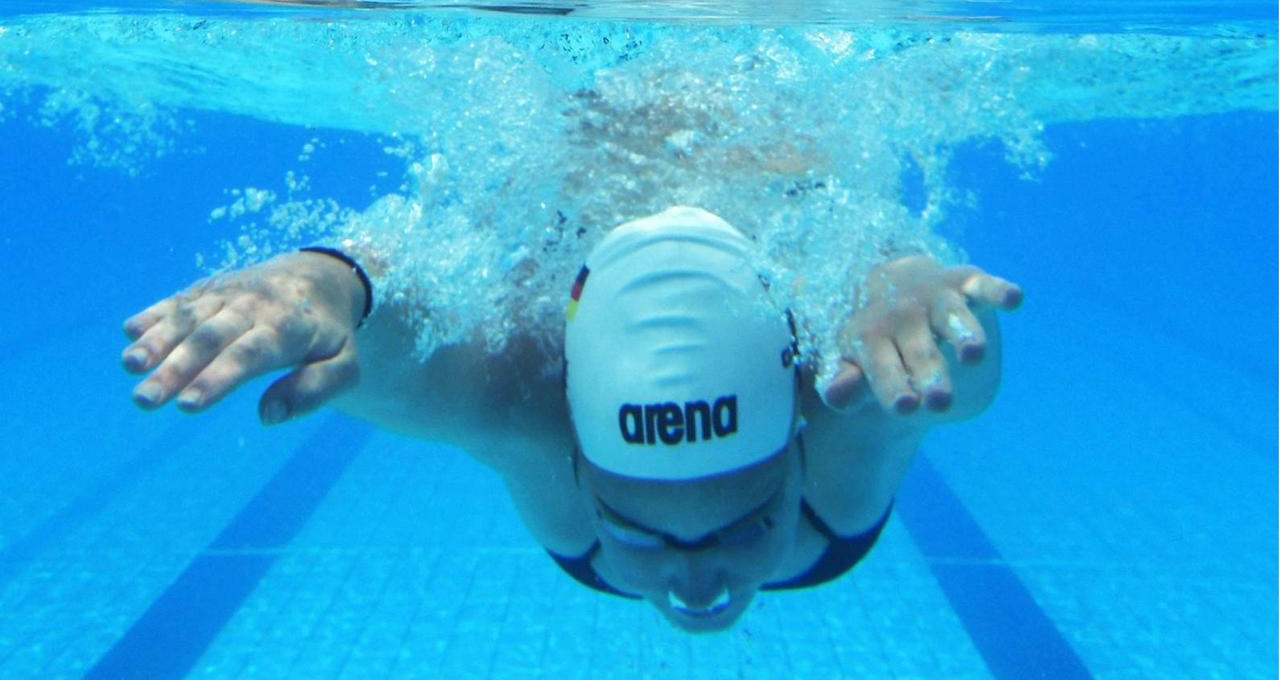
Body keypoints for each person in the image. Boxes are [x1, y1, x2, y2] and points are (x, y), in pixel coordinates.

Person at [121, 205, 1021, 633]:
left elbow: (945, 392)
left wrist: (914, 297)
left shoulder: (836, 412)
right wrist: (327, 280)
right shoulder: (531, 413)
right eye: (637, 532)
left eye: (753, 526)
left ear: (798, 451)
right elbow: (396, 336)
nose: (695, 582)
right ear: (580, 473)